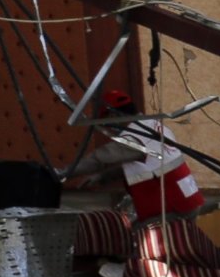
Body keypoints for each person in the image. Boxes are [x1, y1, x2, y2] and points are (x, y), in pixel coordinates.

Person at [67, 87, 203, 223]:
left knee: (143, 239)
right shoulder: (152, 125)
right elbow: (142, 165)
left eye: (107, 122)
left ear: (115, 116)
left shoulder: (135, 136)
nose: (108, 128)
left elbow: (99, 158)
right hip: (187, 198)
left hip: (170, 205)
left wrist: (63, 173)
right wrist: (102, 177)